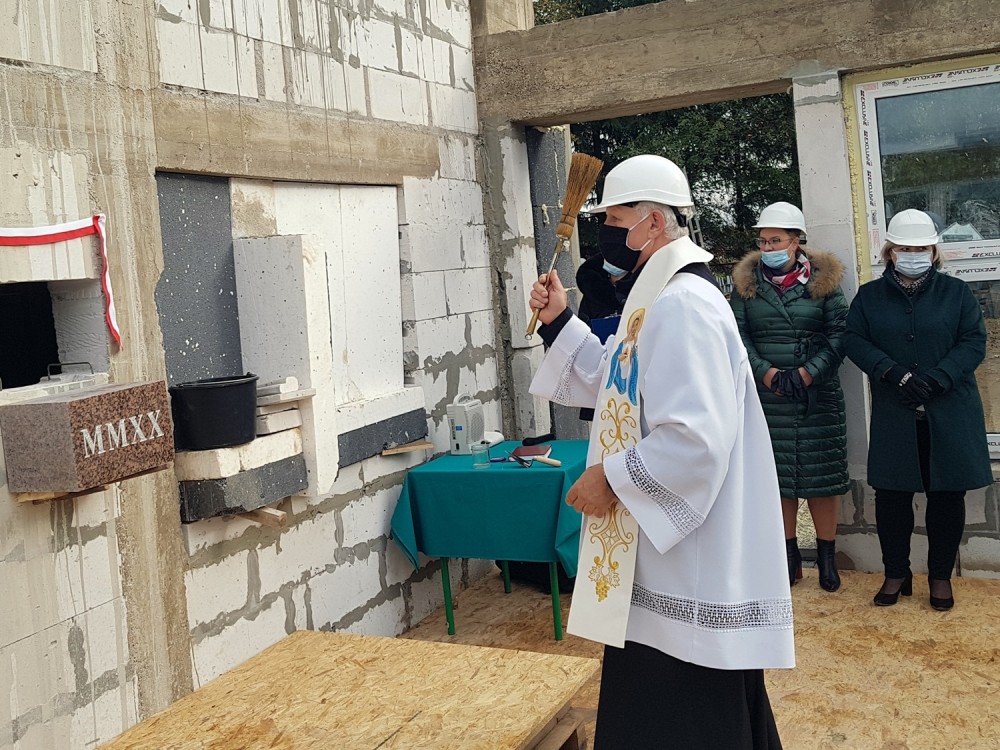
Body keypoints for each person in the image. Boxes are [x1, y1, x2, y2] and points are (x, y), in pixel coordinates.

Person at [528, 155, 794, 749]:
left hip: (687, 554)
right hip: (660, 550)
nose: (606, 234)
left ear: (652, 223)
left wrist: (610, 479)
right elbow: (616, 380)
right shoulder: (658, 296)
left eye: (614, 220)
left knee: (685, 703)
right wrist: (558, 320)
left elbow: (695, 438)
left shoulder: (683, 305)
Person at [844, 209, 991, 610]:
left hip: (949, 409)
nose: (913, 255)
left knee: (947, 494)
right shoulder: (870, 297)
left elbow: (973, 342)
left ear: (934, 251)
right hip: (896, 409)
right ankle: (897, 572)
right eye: (905, 249)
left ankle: (940, 576)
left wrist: (940, 378)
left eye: (921, 248)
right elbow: (853, 339)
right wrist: (892, 373)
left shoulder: (956, 294)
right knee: (891, 495)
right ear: (890, 252)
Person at [730, 202, 850, 592]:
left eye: (776, 240)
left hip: (817, 396)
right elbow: (737, 336)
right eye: (763, 241)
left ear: (796, 241)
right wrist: (765, 372)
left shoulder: (824, 282)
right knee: (777, 479)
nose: (768, 248)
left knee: (822, 479)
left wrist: (808, 372)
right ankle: (789, 558)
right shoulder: (746, 286)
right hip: (769, 396)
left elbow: (840, 335)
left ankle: (827, 557)